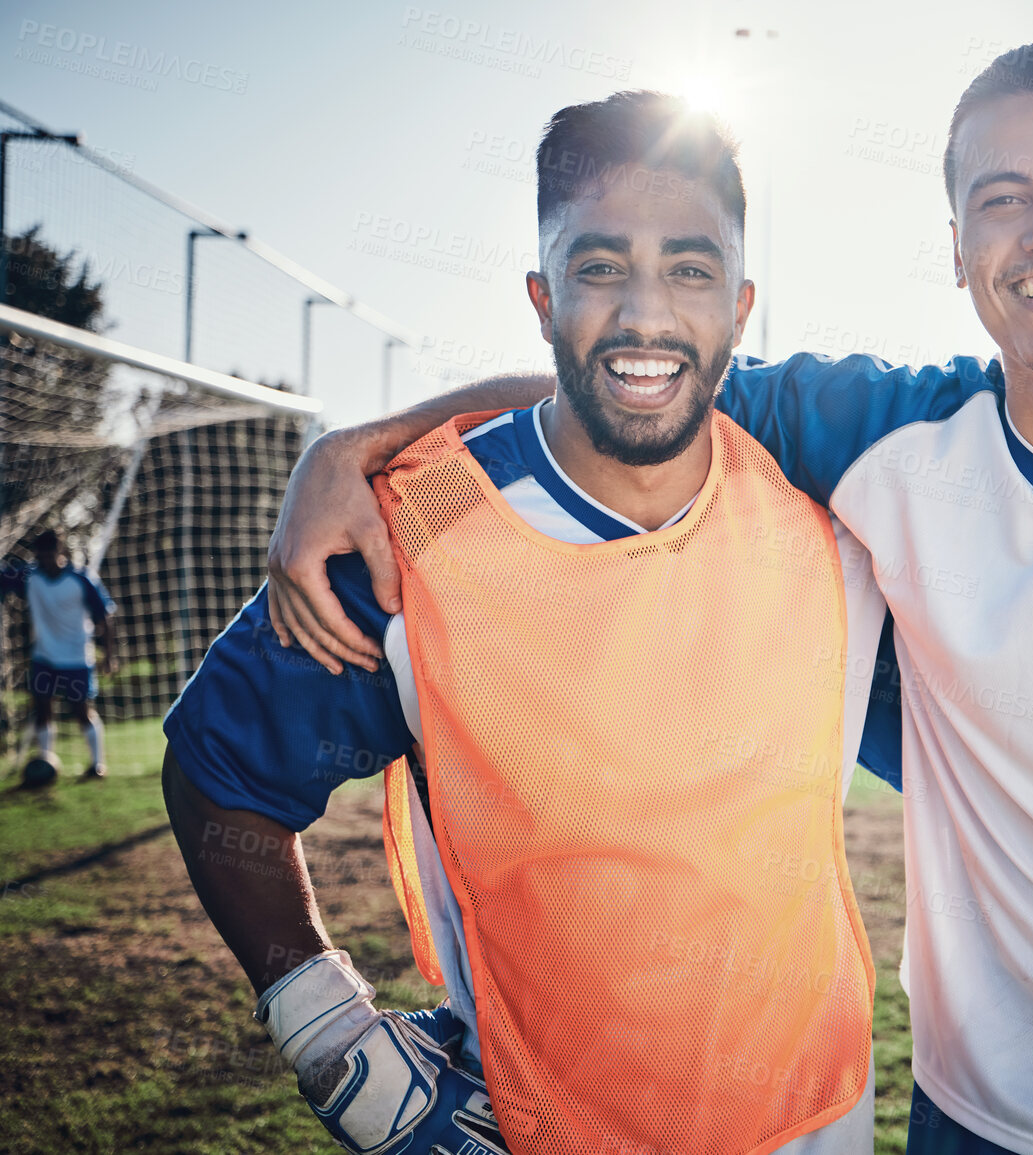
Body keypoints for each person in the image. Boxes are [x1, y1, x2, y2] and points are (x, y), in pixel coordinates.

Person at [273, 43, 1033, 1155]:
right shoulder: (875, 435)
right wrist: (367, 445)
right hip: (983, 1120)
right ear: (955, 245)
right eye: (1002, 199)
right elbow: (640, 369)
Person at [162, 94, 888, 1155]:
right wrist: (327, 1038)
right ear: (545, 298)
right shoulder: (410, 533)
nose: (647, 314)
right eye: (601, 269)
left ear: (739, 302)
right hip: (538, 1123)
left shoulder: (834, 504)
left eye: (689, 270)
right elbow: (218, 769)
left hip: (820, 1115)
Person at [2, 528, 117, 778]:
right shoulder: (30, 577)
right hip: (44, 656)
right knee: (42, 708)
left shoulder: (81, 578)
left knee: (80, 709)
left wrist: (109, 655)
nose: (44, 560)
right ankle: (46, 760)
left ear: (59, 551)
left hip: (76, 657)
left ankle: (97, 764)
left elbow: (105, 617)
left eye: (48, 554)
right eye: (39, 556)